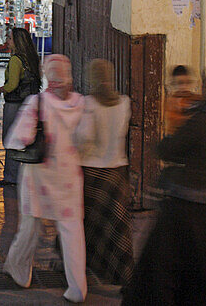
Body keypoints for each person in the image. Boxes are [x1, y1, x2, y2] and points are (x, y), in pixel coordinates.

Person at [123, 65, 206, 305]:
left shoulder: (204, 118)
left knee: (164, 261)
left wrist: (167, 142)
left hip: (185, 201)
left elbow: (169, 149)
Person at [3, 54, 87, 303]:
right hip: (69, 177)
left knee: (29, 227)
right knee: (72, 231)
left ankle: (19, 271)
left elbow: (15, 140)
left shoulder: (37, 103)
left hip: (39, 177)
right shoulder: (81, 103)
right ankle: (77, 287)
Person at [74, 59, 133, 288]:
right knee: (116, 224)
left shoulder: (89, 104)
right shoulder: (124, 102)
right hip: (117, 172)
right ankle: (122, 272)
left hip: (93, 173)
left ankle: (90, 266)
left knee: (90, 224)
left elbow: (84, 137)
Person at [0, 26, 41, 185]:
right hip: (29, 102)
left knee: (11, 138)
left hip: (15, 103)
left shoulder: (16, 60)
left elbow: (12, 84)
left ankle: (11, 176)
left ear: (17, 41)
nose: (7, 41)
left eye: (10, 38)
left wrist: (2, 89)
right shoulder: (32, 58)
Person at [164, 64, 201, 134]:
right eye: (180, 83)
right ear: (173, 84)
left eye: (188, 82)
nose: (184, 87)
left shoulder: (197, 100)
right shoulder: (171, 102)